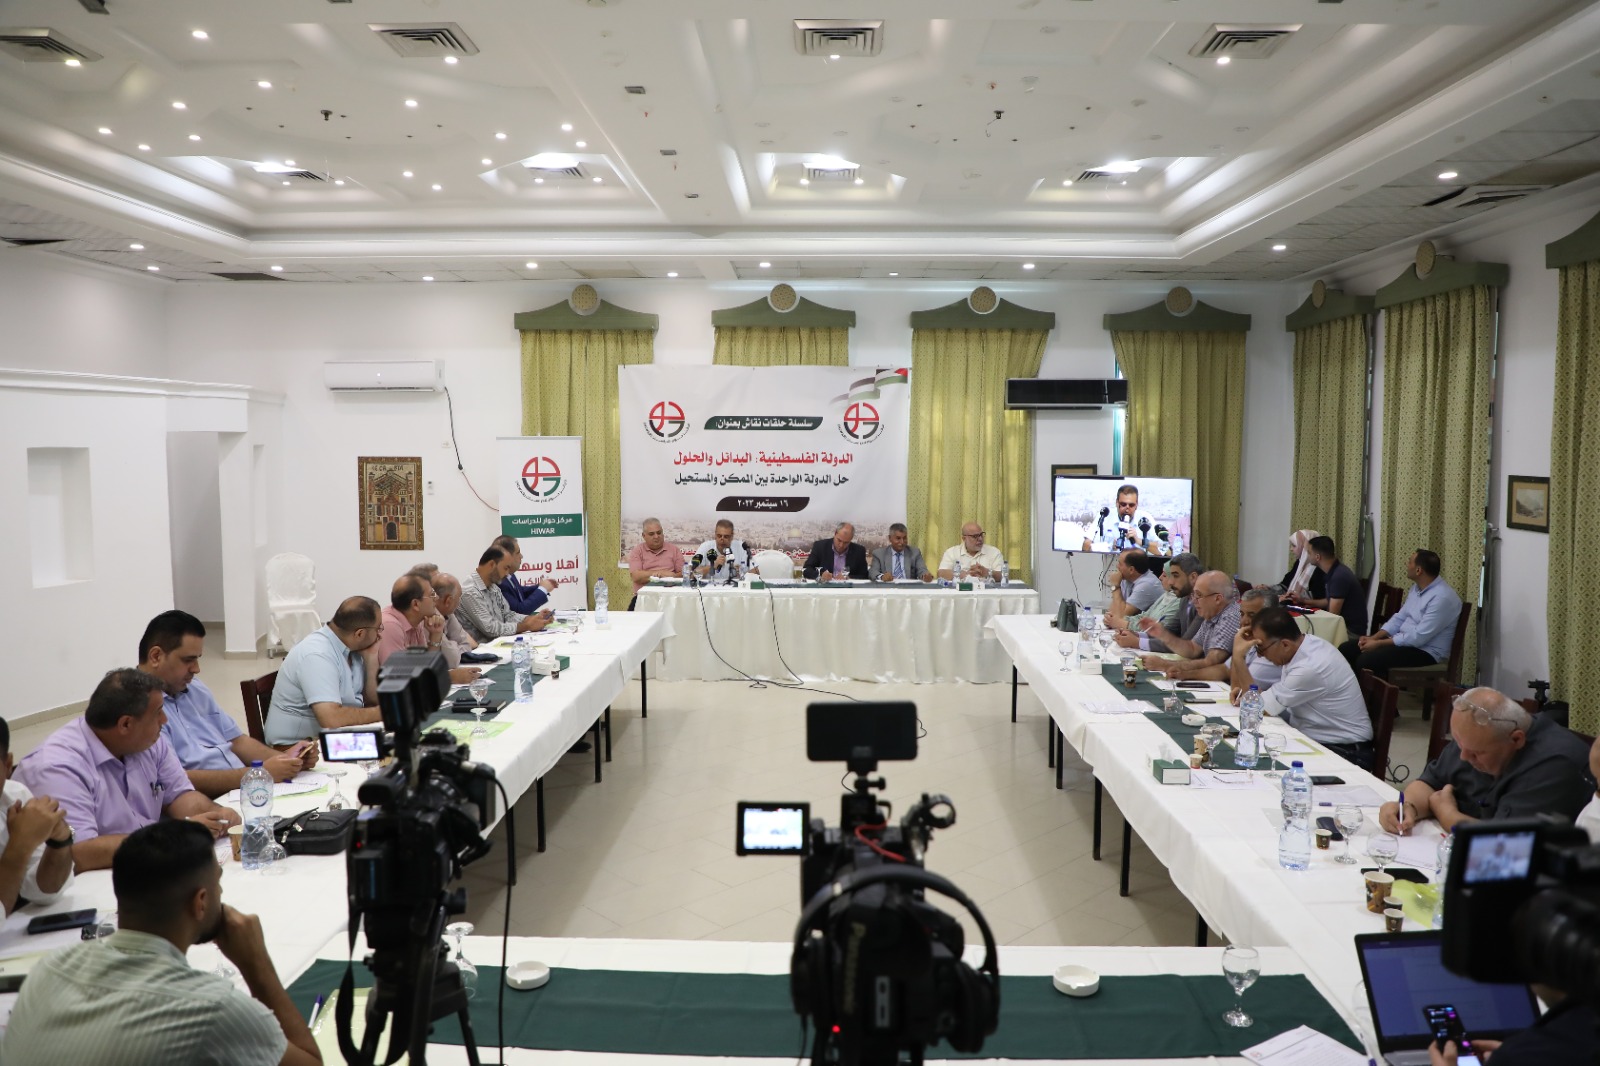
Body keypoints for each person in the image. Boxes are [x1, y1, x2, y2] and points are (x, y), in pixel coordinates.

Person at [1, 820, 321, 1065]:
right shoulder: (211, 1008)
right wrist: (256, 965)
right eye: (218, 884)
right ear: (201, 902)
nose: (222, 894)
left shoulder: (49, 969)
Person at [16, 669, 238, 872]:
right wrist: (174, 837)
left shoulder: (146, 740)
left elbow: (180, 795)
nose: (165, 720)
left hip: (142, 863)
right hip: (88, 882)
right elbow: (79, 853)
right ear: (125, 725)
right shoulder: (57, 768)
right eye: (158, 713)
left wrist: (217, 815)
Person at [137, 610, 316, 799]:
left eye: (198, 658)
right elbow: (174, 779)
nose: (196, 669)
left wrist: (286, 760)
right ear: (156, 656)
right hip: (211, 801)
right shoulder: (140, 710)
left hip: (244, 790)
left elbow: (237, 741)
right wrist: (258, 774)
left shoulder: (194, 688)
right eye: (188, 660)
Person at [1379, 687, 1594, 834]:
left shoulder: (1554, 765)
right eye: (1459, 745)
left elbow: (1505, 842)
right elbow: (1430, 782)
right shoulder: (1474, 737)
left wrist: (1447, 815)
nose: (1463, 757)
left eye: (1475, 753)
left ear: (1516, 739)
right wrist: (1408, 807)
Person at [1250, 607, 1375, 768]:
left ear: (1285, 644)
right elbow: (1263, 703)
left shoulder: (1310, 667)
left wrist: (1239, 656)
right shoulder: (1305, 644)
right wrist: (1255, 698)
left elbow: (1261, 708)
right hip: (1321, 738)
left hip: (1345, 751)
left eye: (1261, 648)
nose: (1259, 655)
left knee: (1257, 759)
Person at [262, 596, 383, 746]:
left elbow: (372, 700)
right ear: (359, 634)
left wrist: (371, 659)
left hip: (334, 736)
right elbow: (331, 719)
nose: (380, 635)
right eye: (378, 628)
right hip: (296, 747)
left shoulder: (353, 649)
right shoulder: (317, 655)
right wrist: (383, 713)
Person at [1340, 549, 1461, 678]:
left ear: (1418, 570)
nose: (1406, 564)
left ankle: (1382, 691)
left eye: (1410, 562)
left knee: (1366, 660)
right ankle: (1354, 689)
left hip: (1426, 651)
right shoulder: (1416, 588)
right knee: (1347, 649)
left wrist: (1379, 643)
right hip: (1405, 643)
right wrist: (1374, 638)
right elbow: (1399, 617)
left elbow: (1418, 637)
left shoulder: (1442, 598)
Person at [0, 716, 73, 916]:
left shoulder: (14, 796)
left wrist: (59, 841)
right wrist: (19, 845)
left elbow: (42, 893)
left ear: (7, 765)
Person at [377, 575, 480, 684]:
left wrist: (435, 635)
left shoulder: (418, 620)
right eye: (432, 594)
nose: (436, 598)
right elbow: (397, 678)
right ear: (416, 604)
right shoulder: (389, 625)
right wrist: (450, 677)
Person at [1140, 571, 1240, 678]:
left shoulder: (1231, 616)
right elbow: (1193, 649)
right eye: (1193, 595)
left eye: (1199, 595)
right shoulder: (1212, 614)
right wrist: (1163, 635)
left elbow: (1211, 662)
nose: (1193, 601)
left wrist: (1165, 665)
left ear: (1218, 599)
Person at [457, 546, 552, 642]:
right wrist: (526, 625)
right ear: (492, 565)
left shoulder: (493, 586)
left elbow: (508, 615)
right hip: (480, 649)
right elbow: (490, 629)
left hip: (498, 644)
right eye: (505, 568)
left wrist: (532, 619)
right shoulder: (470, 591)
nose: (507, 574)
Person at [1113, 552, 1202, 646]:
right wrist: (1137, 635)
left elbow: (1186, 645)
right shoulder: (1184, 599)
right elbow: (1168, 633)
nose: (1171, 582)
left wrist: (1138, 642)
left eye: (1175, 576)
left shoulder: (1201, 603)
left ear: (1193, 577)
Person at [1289, 535, 1368, 638]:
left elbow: (1332, 616)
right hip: (1343, 626)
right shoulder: (1335, 571)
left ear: (1317, 557)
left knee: (1297, 635)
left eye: (1309, 553)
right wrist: (1303, 601)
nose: (1307, 556)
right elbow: (1329, 601)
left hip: (1350, 632)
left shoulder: (1339, 576)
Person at [1081, 483, 1163, 553]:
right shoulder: (1105, 516)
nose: (1127, 508)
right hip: (1110, 563)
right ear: (1117, 503)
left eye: (1131, 505)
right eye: (1123, 504)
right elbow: (1086, 546)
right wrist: (1108, 546)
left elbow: (1164, 550)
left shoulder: (1145, 518)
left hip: (1137, 565)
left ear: (1136, 505)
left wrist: (1138, 541)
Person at [492, 535, 558, 614]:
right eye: (518, 553)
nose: (521, 556)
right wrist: (542, 589)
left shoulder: (509, 574)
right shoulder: (499, 581)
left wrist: (540, 586)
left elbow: (519, 593)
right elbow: (519, 611)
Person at [429, 573, 478, 667]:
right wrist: (455, 648)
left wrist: (453, 649)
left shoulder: (448, 613)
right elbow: (452, 660)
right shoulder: (429, 618)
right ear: (448, 601)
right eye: (459, 597)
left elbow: (466, 644)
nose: (459, 602)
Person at [1105, 550, 1163, 624]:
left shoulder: (1147, 585)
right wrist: (1110, 618)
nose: (1117, 566)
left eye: (1120, 564)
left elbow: (1121, 617)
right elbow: (1113, 612)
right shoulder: (1126, 578)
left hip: (1150, 628)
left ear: (1131, 570)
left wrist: (1115, 586)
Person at [938, 522, 1005, 582]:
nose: (980, 539)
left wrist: (988, 573)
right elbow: (941, 573)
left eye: (981, 535)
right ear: (964, 539)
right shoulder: (951, 552)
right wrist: (965, 574)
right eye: (975, 536)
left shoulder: (994, 552)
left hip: (987, 591)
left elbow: (1002, 575)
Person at [628, 517, 682, 591]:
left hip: (670, 594)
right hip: (644, 595)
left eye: (659, 533)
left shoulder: (674, 549)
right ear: (644, 536)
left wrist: (673, 576)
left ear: (663, 533)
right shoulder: (637, 551)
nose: (656, 536)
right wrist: (660, 574)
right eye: (651, 534)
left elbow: (684, 574)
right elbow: (636, 577)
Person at [1273, 529, 1326, 601]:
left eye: (1294, 546)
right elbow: (1285, 584)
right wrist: (1268, 589)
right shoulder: (1299, 563)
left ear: (1305, 547)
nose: (1291, 549)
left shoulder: (1319, 567)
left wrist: (1291, 598)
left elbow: (1318, 595)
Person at [869, 523, 933, 583]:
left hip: (909, 588)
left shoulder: (915, 552)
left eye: (904, 538)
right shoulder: (879, 554)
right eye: (898, 538)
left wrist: (925, 576)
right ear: (890, 538)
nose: (902, 542)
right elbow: (873, 572)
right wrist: (882, 577)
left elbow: (922, 569)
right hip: (888, 588)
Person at [804, 522, 869, 581]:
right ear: (835, 534)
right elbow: (807, 569)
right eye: (839, 540)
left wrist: (848, 577)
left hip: (847, 588)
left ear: (851, 539)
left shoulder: (859, 551)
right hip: (825, 587)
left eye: (846, 543)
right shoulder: (820, 546)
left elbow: (864, 575)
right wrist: (820, 575)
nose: (841, 545)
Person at [695, 519, 751, 584]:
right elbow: (692, 573)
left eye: (726, 536)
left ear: (732, 536)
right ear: (715, 535)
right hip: (710, 587)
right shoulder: (705, 547)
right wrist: (713, 566)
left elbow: (755, 572)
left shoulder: (741, 547)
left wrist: (741, 571)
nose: (722, 539)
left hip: (734, 587)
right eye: (719, 536)